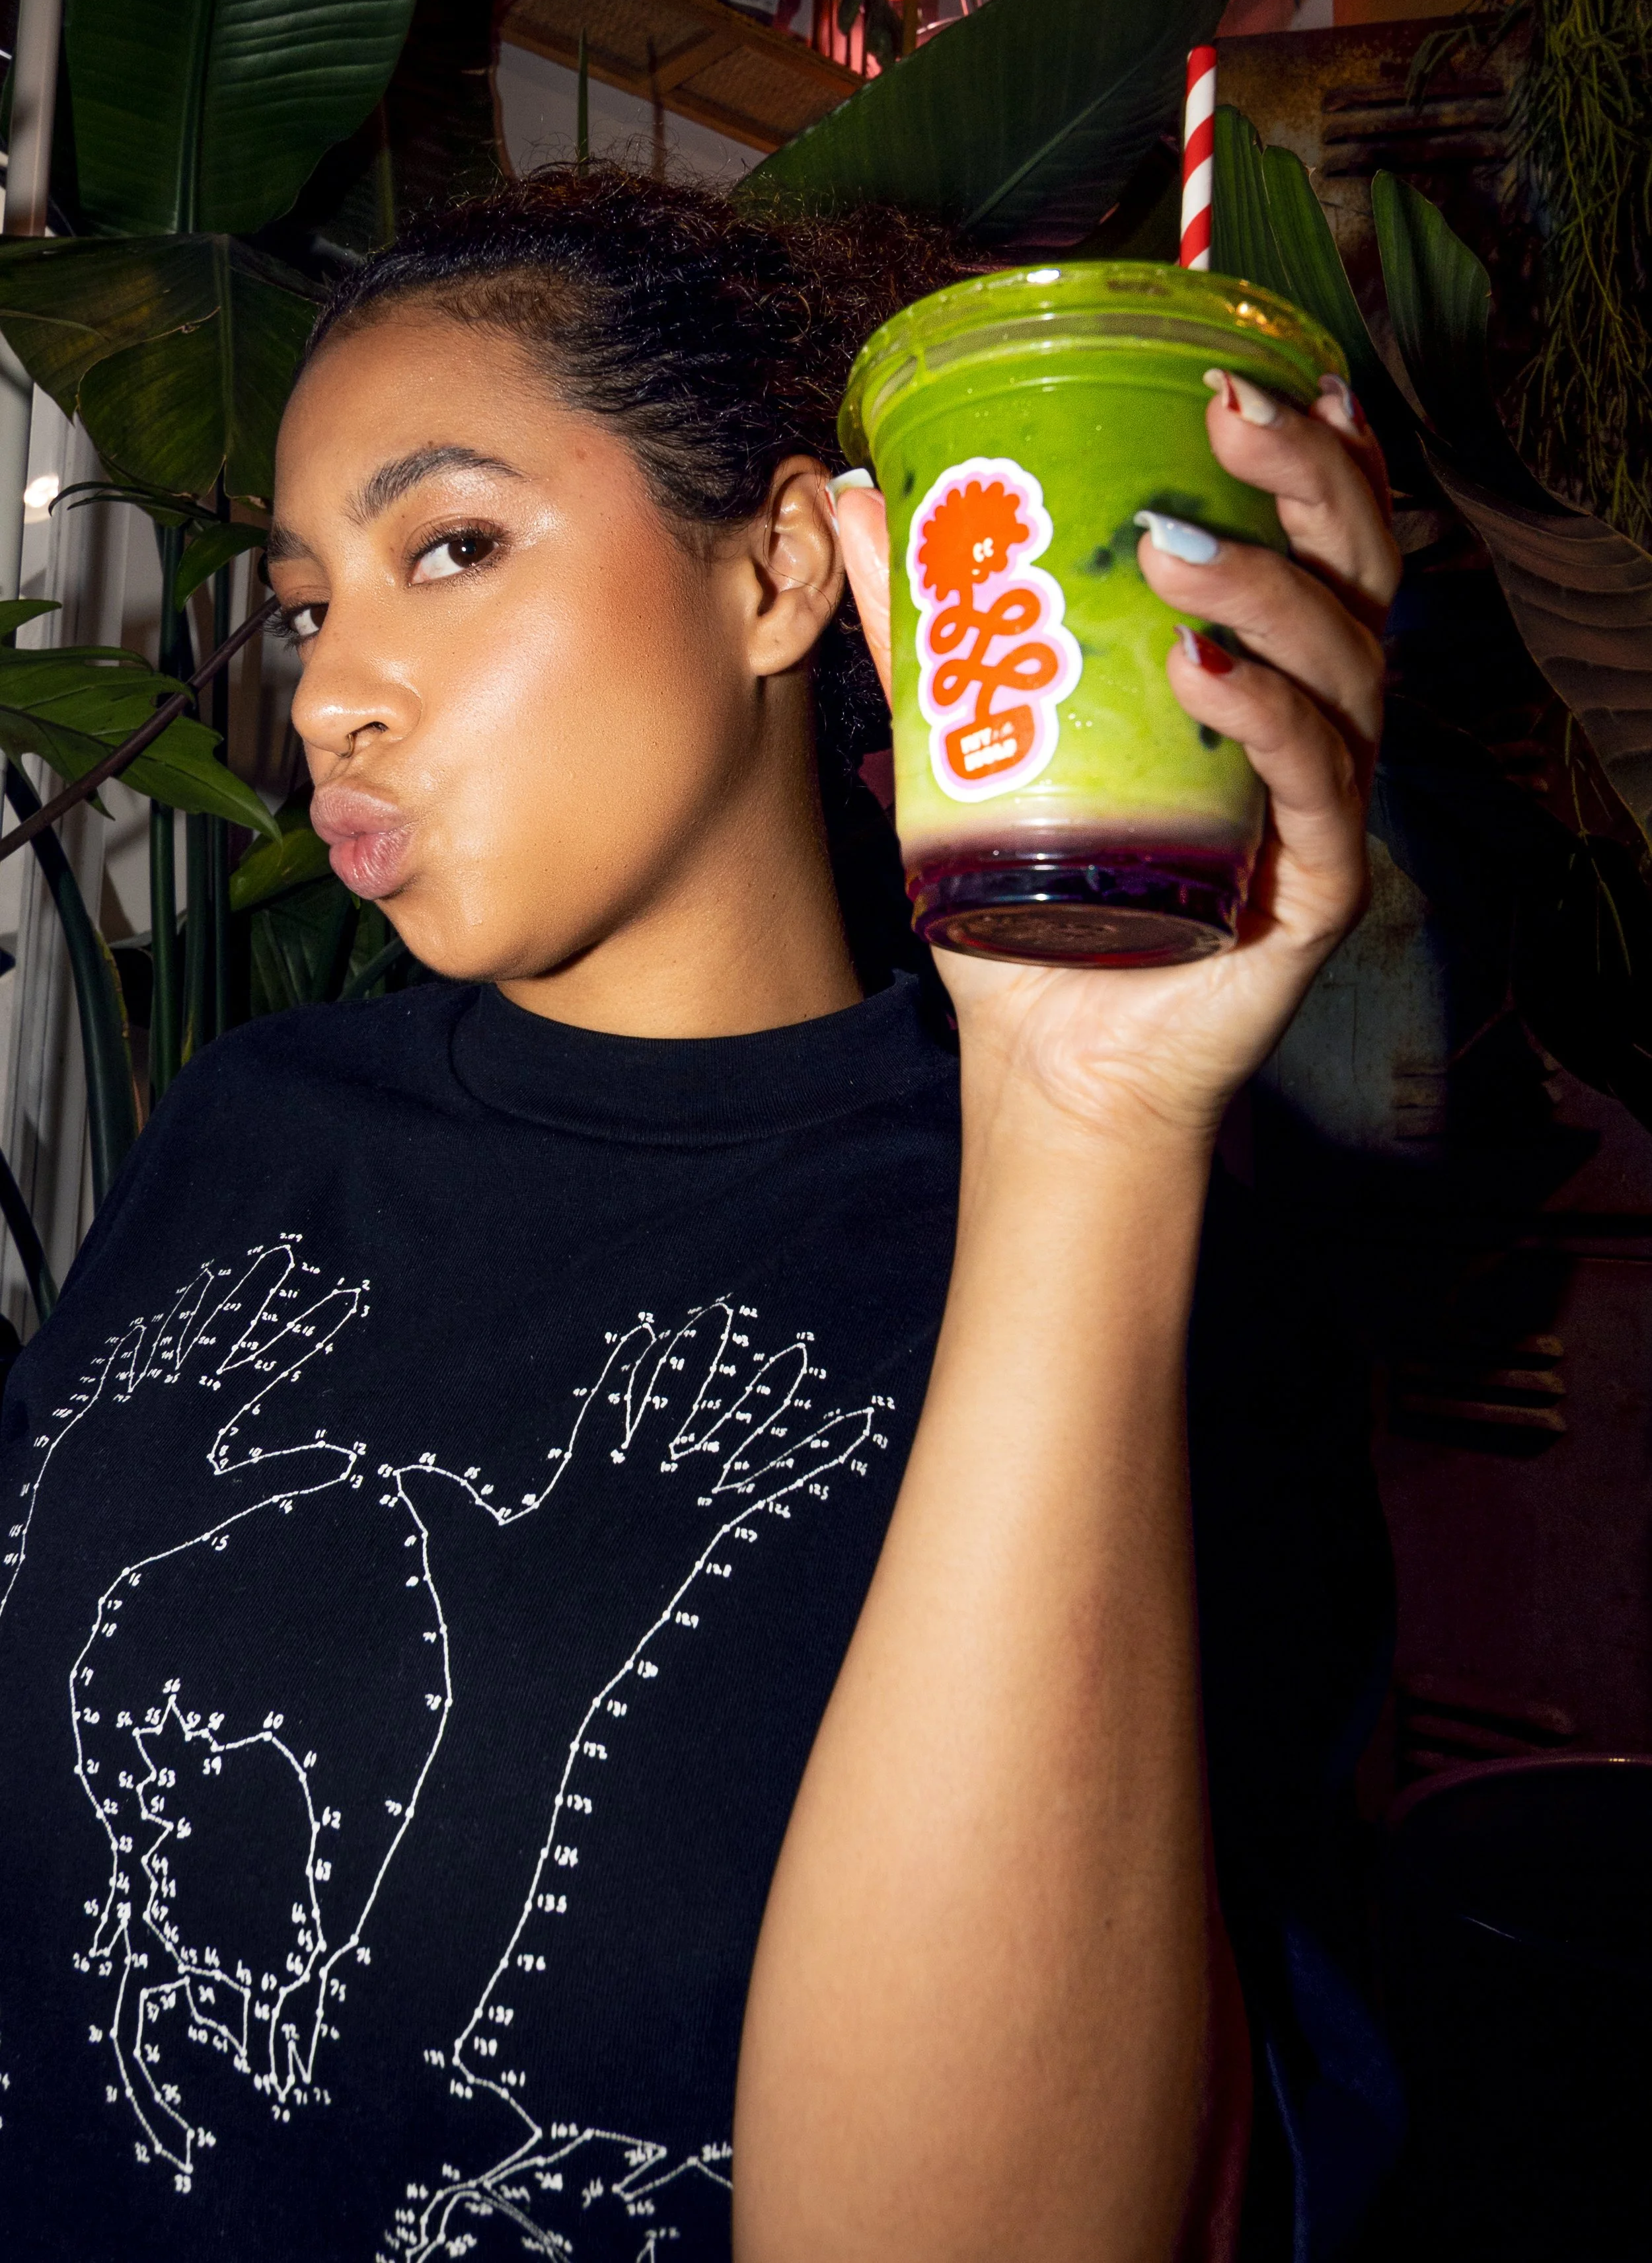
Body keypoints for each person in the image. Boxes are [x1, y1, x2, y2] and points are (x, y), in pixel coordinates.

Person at [0, 166, 1397, 2263]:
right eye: (308, 603)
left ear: (782, 570)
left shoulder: (1090, 1243)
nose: (323, 695)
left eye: (448, 548)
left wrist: (1078, 1124)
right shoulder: (255, 1118)